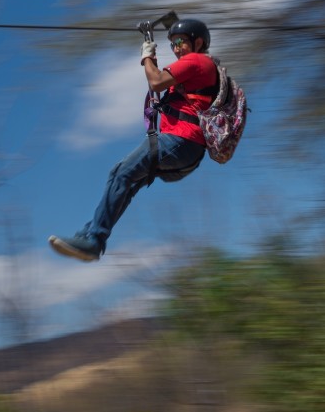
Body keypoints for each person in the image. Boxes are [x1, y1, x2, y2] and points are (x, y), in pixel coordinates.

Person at [49, 18, 218, 261]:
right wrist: (152, 58)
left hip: (180, 141)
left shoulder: (197, 60)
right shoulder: (198, 69)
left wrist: (146, 56)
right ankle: (87, 236)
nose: (176, 47)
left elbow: (156, 81)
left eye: (181, 41)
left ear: (198, 42)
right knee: (126, 184)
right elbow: (162, 84)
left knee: (120, 173)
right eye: (173, 43)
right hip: (188, 152)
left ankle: (94, 240)